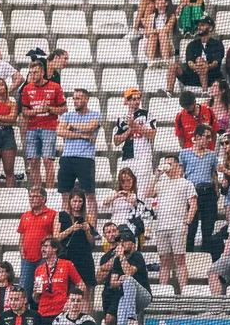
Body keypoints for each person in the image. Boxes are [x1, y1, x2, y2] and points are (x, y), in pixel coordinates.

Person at [150, 155, 196, 287]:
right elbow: (148, 193)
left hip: (178, 227)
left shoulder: (186, 183)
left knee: (180, 260)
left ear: (177, 165)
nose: (167, 166)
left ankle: (184, 294)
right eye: (166, 163)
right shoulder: (161, 183)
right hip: (161, 227)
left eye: (170, 163)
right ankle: (162, 292)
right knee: (164, 262)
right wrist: (156, 176)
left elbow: (193, 204)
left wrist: (187, 222)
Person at [20, 60, 67, 189]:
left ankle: (50, 190)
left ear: (42, 72)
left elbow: (64, 108)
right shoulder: (27, 89)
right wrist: (36, 111)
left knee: (47, 160)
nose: (33, 75)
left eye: (35, 72)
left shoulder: (55, 87)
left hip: (49, 127)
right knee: (33, 161)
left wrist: (49, 109)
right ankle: (38, 189)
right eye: (31, 73)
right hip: (32, 128)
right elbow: (24, 112)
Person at [56, 89, 101, 219]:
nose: (75, 101)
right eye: (74, 98)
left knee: (89, 195)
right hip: (67, 158)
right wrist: (81, 135)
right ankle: (65, 225)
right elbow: (59, 131)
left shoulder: (95, 115)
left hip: (85, 159)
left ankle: (92, 228)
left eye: (79, 98)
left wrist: (70, 125)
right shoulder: (67, 115)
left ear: (86, 99)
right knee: (65, 195)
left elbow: (90, 127)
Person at [34, 237, 86, 325]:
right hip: (43, 312)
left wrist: (70, 302)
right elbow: (35, 298)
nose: (42, 249)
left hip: (61, 311)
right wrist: (35, 293)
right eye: (42, 247)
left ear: (55, 248)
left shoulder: (66, 264)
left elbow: (82, 285)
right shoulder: (39, 269)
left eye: (46, 246)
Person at [110, 229, 152, 325]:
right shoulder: (118, 260)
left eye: (124, 241)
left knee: (128, 280)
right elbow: (113, 283)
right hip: (128, 300)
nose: (121, 244)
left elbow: (129, 272)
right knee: (121, 315)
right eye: (120, 242)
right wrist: (119, 281)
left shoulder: (137, 256)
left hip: (143, 297)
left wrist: (122, 257)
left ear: (133, 244)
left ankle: (132, 318)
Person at [54, 188, 98, 304]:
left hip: (84, 258)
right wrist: (71, 228)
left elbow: (93, 243)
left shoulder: (88, 217)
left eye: (80, 201)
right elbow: (56, 238)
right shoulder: (61, 216)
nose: (77, 204)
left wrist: (88, 231)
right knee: (66, 291)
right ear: (69, 201)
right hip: (67, 258)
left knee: (86, 293)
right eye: (74, 201)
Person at [181, 125, 218, 252]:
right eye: (206, 137)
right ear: (197, 137)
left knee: (208, 227)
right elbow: (181, 173)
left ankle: (206, 256)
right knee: (191, 227)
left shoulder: (212, 155)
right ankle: (188, 254)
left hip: (208, 192)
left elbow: (214, 174)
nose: (209, 140)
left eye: (210, 137)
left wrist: (217, 191)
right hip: (192, 192)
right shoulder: (184, 153)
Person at [114, 88, 158, 192]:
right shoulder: (122, 118)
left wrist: (135, 125)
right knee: (127, 187)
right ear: (127, 101)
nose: (137, 102)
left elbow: (152, 134)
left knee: (143, 188)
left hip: (144, 156)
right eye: (133, 99)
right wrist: (129, 130)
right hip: (128, 156)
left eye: (138, 99)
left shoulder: (147, 114)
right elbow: (116, 141)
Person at [17, 187, 57, 299]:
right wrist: (21, 252)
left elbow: (56, 237)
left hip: (44, 259)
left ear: (43, 198)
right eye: (30, 196)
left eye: (35, 196)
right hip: (27, 259)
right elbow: (22, 236)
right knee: (25, 288)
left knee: (42, 289)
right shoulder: (25, 216)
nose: (32, 199)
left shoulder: (52, 214)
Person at [167, 17, 223, 94]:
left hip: (211, 77)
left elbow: (217, 61)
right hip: (192, 76)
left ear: (210, 28)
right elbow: (189, 61)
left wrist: (207, 66)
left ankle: (205, 92)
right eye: (199, 25)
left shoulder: (218, 44)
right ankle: (169, 92)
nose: (199, 27)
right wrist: (196, 67)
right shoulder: (192, 44)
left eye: (202, 25)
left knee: (199, 60)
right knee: (173, 66)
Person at [103, 168, 143, 243]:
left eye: (128, 180)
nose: (126, 184)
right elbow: (104, 203)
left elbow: (139, 206)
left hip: (130, 226)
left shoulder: (137, 194)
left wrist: (128, 197)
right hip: (116, 225)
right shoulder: (114, 193)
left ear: (133, 180)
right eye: (123, 181)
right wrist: (116, 196)